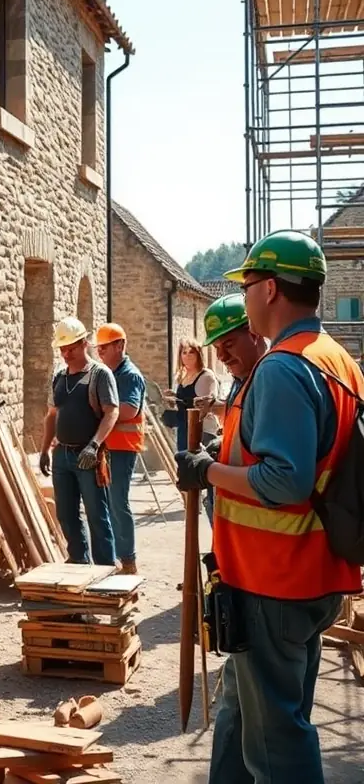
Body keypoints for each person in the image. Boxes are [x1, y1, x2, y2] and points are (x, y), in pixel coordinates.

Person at [175, 230, 364, 784]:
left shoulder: (284, 367)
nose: (246, 293)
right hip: (310, 572)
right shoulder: (336, 359)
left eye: (249, 283)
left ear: (273, 289)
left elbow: (284, 480)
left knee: (276, 742)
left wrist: (206, 471)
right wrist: (221, 454)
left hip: (274, 579)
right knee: (242, 712)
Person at [39, 317, 119, 566]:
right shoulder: (59, 377)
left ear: (84, 343)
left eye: (71, 348)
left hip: (89, 455)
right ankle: (78, 562)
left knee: (97, 515)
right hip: (62, 454)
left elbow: (111, 412)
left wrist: (94, 445)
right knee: (66, 513)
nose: (66, 353)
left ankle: (105, 568)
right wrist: (44, 450)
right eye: (62, 349)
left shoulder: (99, 375)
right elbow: (52, 415)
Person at [194, 294, 269, 523]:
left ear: (254, 333)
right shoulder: (241, 380)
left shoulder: (271, 380)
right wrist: (223, 444)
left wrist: (208, 470)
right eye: (216, 347)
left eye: (228, 344)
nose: (221, 356)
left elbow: (280, 478)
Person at [94, 323, 145, 575]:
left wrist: (99, 410)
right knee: (106, 503)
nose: (100, 352)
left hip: (123, 448)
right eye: (98, 348)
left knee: (117, 502)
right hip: (108, 447)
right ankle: (114, 556)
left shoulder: (129, 375)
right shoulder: (107, 372)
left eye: (104, 347)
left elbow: (128, 410)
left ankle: (127, 560)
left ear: (120, 345)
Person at [163, 340, 218, 450]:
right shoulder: (181, 376)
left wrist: (179, 400)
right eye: (184, 352)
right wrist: (173, 398)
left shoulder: (206, 376)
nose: (187, 356)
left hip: (202, 430)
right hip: (183, 428)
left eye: (191, 352)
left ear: (198, 354)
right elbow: (183, 401)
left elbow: (205, 404)